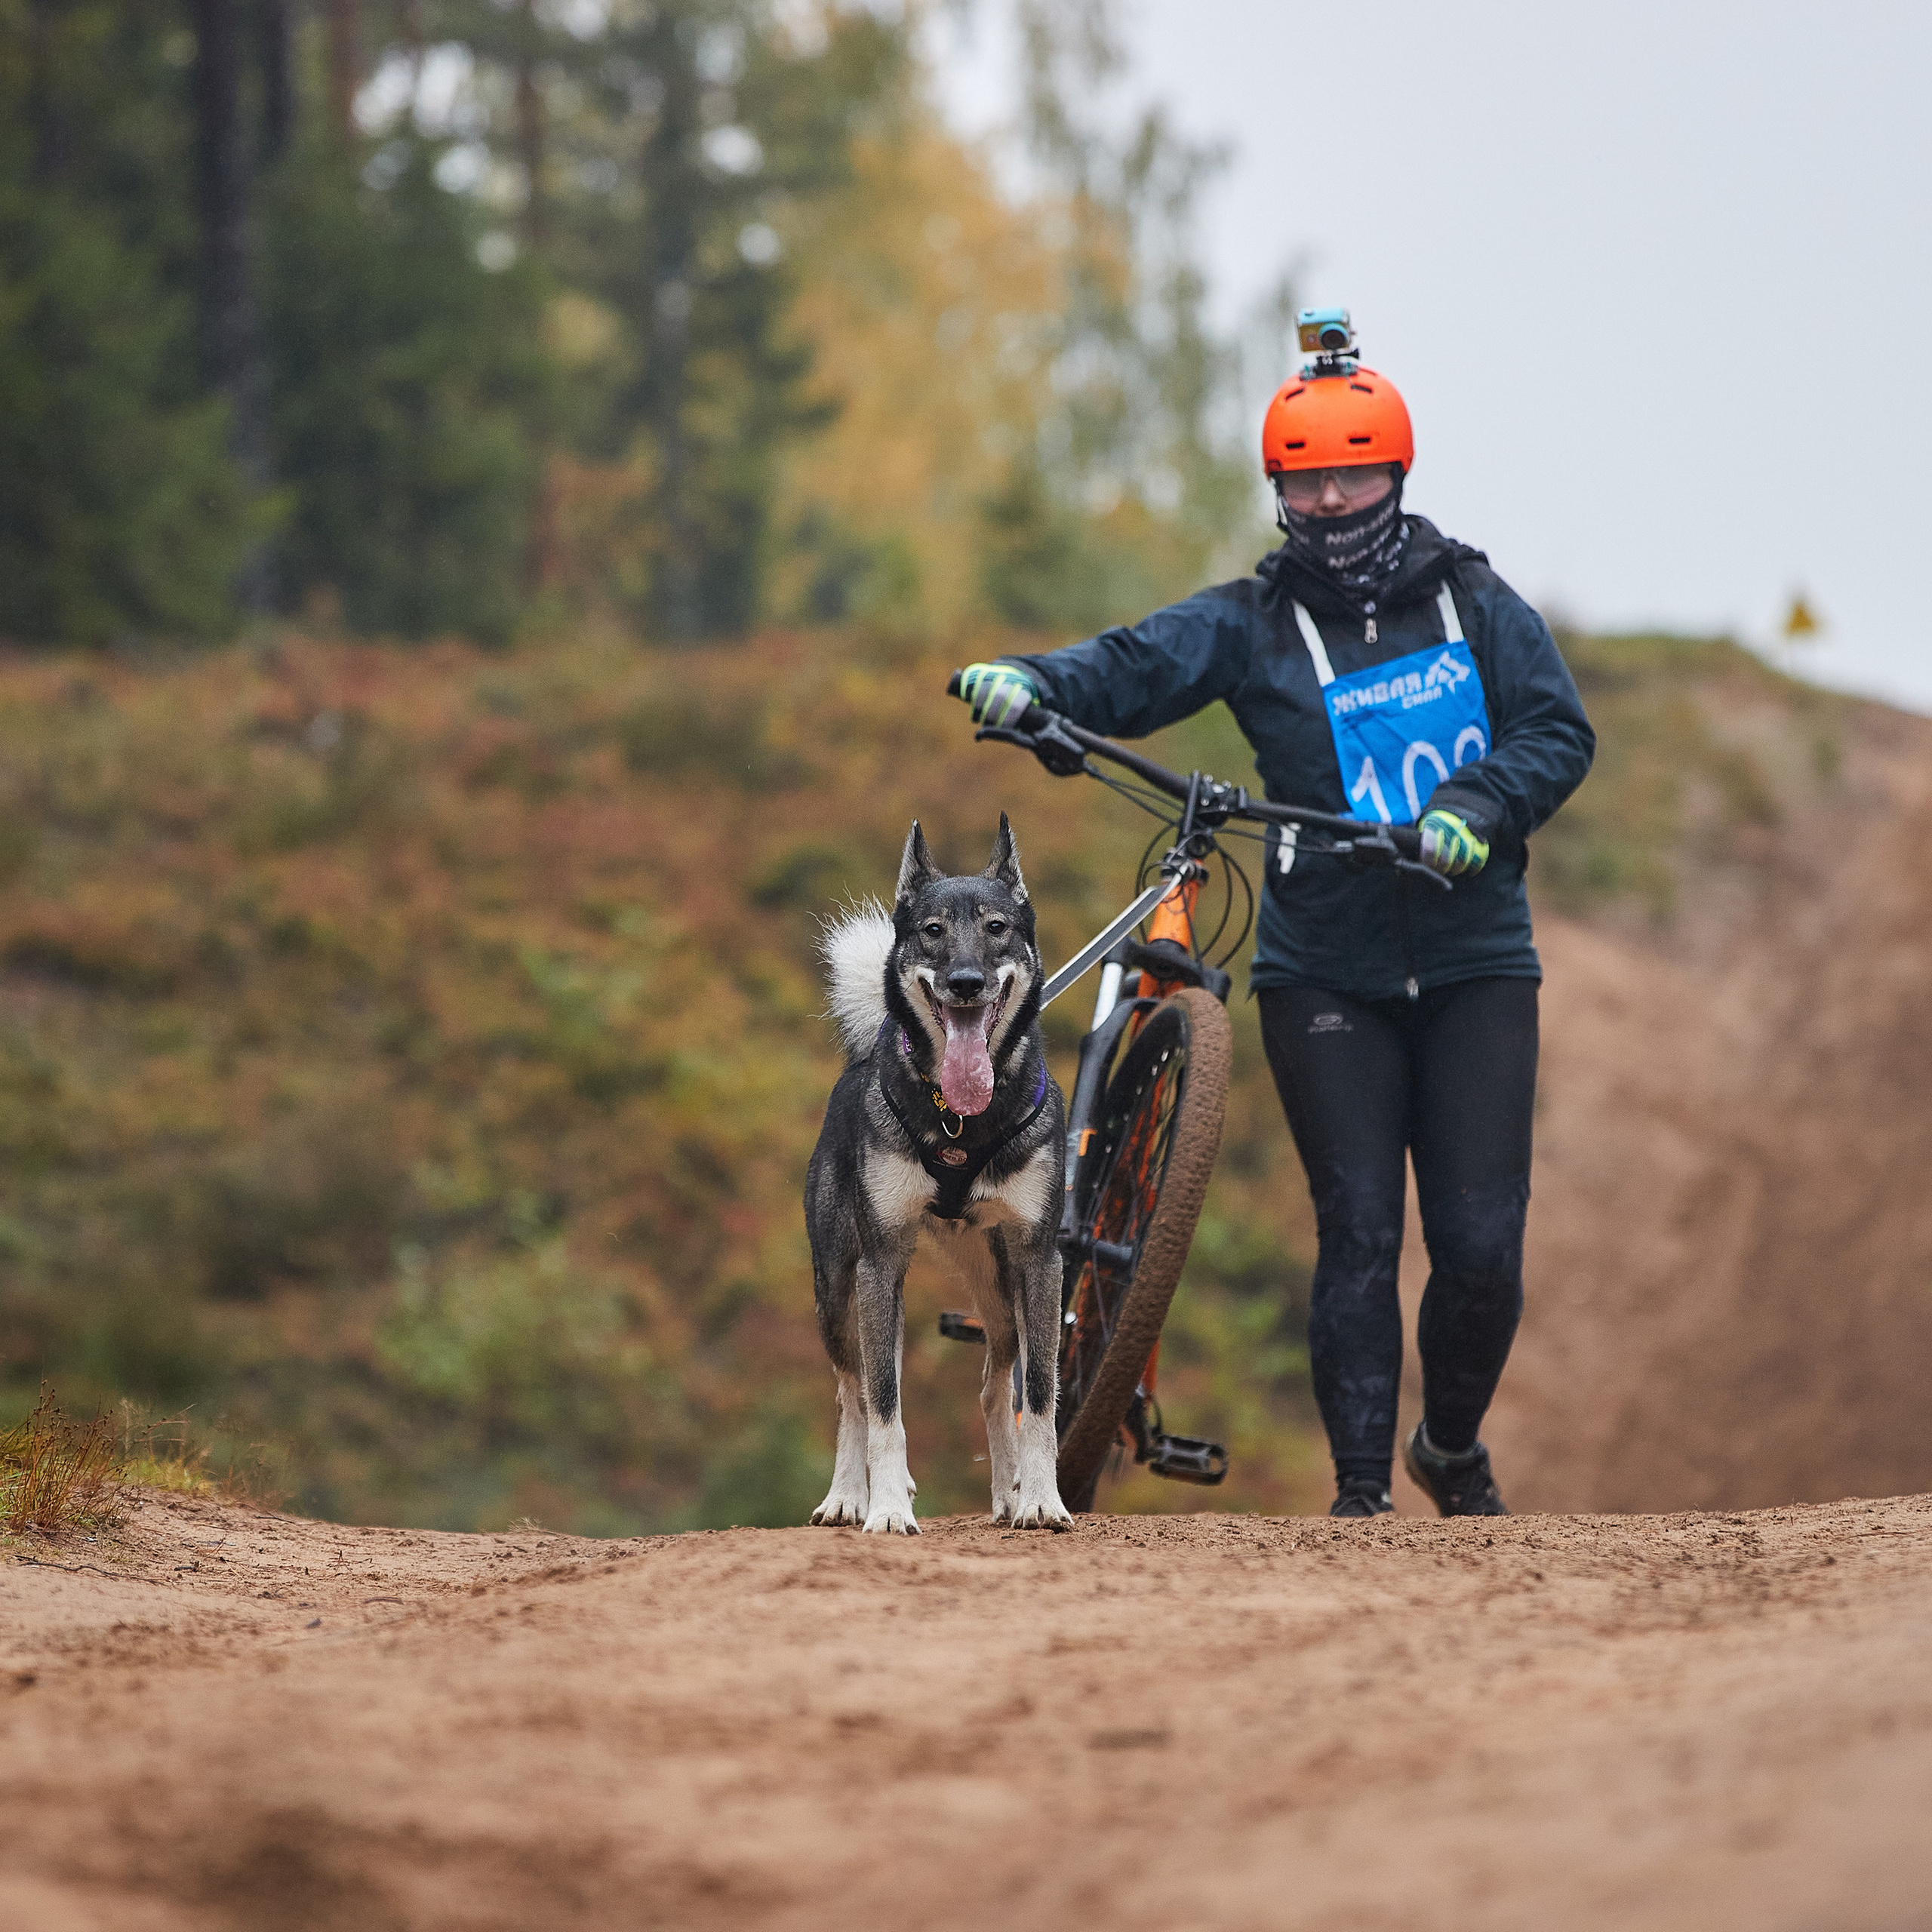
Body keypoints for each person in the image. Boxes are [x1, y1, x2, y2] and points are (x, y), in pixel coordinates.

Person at [951, 310, 1595, 1518]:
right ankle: (1362, 1501)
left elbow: (1559, 731)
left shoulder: (1474, 602)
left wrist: (1478, 805)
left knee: (1477, 1247)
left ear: (1397, 475)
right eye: (1311, 484)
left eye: (1357, 475)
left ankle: (1448, 1446)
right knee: (1355, 1230)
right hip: (1325, 973)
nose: (1337, 502)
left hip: (1475, 964)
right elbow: (1139, 664)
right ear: (1282, 494)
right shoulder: (1254, 620)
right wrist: (1035, 683)